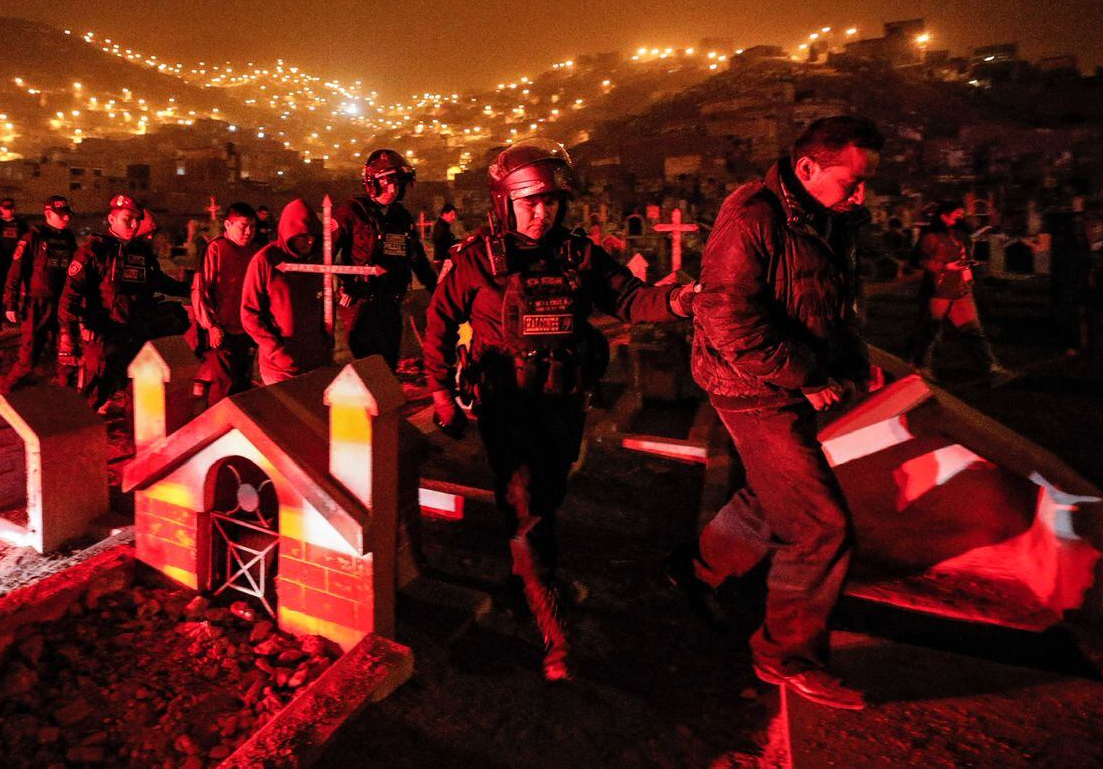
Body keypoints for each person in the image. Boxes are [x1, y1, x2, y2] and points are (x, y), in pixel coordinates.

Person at [424, 138, 695, 682]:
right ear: (504, 203)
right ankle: (554, 631)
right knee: (526, 504)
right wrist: (440, 393)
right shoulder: (478, 259)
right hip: (507, 405)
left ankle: (524, 577)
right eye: (529, 202)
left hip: (564, 404)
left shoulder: (577, 253)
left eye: (550, 202)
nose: (541, 213)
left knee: (545, 498)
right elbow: (438, 323)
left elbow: (627, 297)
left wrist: (676, 301)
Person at [675, 115, 883, 712]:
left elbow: (832, 302)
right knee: (821, 525)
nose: (861, 195)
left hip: (792, 378)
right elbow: (726, 320)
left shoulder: (826, 215)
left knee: (772, 495)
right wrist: (808, 374)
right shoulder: (752, 218)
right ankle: (785, 654)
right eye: (853, 182)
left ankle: (697, 569)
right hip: (752, 387)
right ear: (808, 168)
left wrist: (850, 360)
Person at [59, 194, 188, 412]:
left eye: (137, 219)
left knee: (138, 393)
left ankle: (134, 442)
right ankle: (72, 439)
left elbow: (159, 282)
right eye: (128, 218)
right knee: (95, 393)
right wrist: (66, 335)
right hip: (105, 337)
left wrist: (191, 290)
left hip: (136, 334)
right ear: (111, 219)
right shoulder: (93, 252)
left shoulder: (140, 253)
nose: (134, 224)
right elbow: (70, 296)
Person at [333, 149, 437, 371]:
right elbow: (326, 256)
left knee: (388, 365)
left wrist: (437, 291)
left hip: (392, 302)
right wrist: (346, 284)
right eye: (387, 182)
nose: (392, 189)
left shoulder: (401, 216)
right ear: (373, 182)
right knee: (365, 365)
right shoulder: (350, 212)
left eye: (397, 184)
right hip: (361, 303)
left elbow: (416, 257)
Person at [910, 201, 1010, 383]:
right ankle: (920, 366)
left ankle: (990, 369)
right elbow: (918, 260)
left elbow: (966, 257)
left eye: (962, 213)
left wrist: (970, 267)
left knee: (974, 332)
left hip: (962, 291)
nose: (961, 216)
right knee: (932, 330)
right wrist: (944, 266)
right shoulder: (931, 237)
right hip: (939, 291)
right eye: (957, 213)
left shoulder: (960, 236)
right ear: (944, 215)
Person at [241, 198, 332, 385]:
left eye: (313, 236)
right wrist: (276, 351)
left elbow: (325, 303)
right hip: (280, 367)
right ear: (290, 232)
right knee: (284, 413)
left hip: (315, 361)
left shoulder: (318, 261)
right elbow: (249, 313)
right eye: (303, 235)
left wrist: (326, 344)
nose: (309, 241)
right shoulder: (265, 261)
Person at [0, 195, 78, 391]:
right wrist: (11, 303)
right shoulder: (33, 237)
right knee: (28, 358)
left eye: (67, 215)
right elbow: (15, 272)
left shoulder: (68, 239)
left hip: (63, 304)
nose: (66, 219)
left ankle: (66, 396)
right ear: (48, 214)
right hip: (37, 304)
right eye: (62, 215)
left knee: (66, 355)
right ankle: (5, 391)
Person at [190, 202, 260, 405]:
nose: (248, 232)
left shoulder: (254, 253)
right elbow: (200, 290)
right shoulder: (215, 250)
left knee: (243, 384)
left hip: (246, 330)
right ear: (228, 225)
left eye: (252, 227)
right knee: (224, 384)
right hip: (221, 331)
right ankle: (214, 427)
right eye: (243, 226)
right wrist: (211, 326)